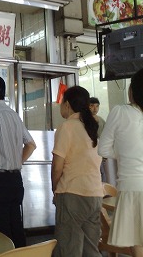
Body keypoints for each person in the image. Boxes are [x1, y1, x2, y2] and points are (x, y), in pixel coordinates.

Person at [0, 74, 36, 248]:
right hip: (15, 181)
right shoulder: (13, 115)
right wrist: (17, 162)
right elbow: (31, 145)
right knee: (15, 226)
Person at [51, 86, 103, 257]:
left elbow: (58, 166)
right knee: (91, 250)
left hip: (72, 193)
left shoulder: (67, 127)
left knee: (69, 249)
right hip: (95, 194)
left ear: (67, 104)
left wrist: (55, 189)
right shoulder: (91, 127)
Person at [98, 68, 143, 257]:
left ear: (133, 90)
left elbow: (103, 149)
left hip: (132, 186)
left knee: (137, 243)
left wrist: (123, 153)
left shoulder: (120, 111)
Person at [90, 97, 107, 182]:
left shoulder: (101, 120)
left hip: (99, 151)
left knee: (102, 173)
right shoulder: (84, 121)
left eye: (97, 106)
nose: (95, 108)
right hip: (90, 151)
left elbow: (106, 137)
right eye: (92, 106)